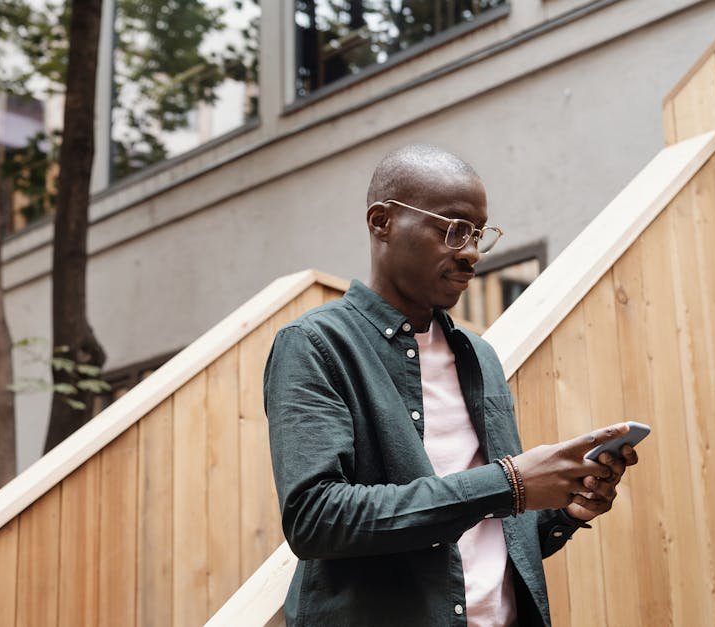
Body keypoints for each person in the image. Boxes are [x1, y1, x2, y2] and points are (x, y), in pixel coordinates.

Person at [263, 144, 639, 626]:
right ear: (381, 222)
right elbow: (317, 519)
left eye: (479, 234)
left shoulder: (478, 355)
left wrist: (566, 510)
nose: (472, 253)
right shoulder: (314, 343)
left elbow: (485, 538)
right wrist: (510, 483)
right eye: (454, 229)